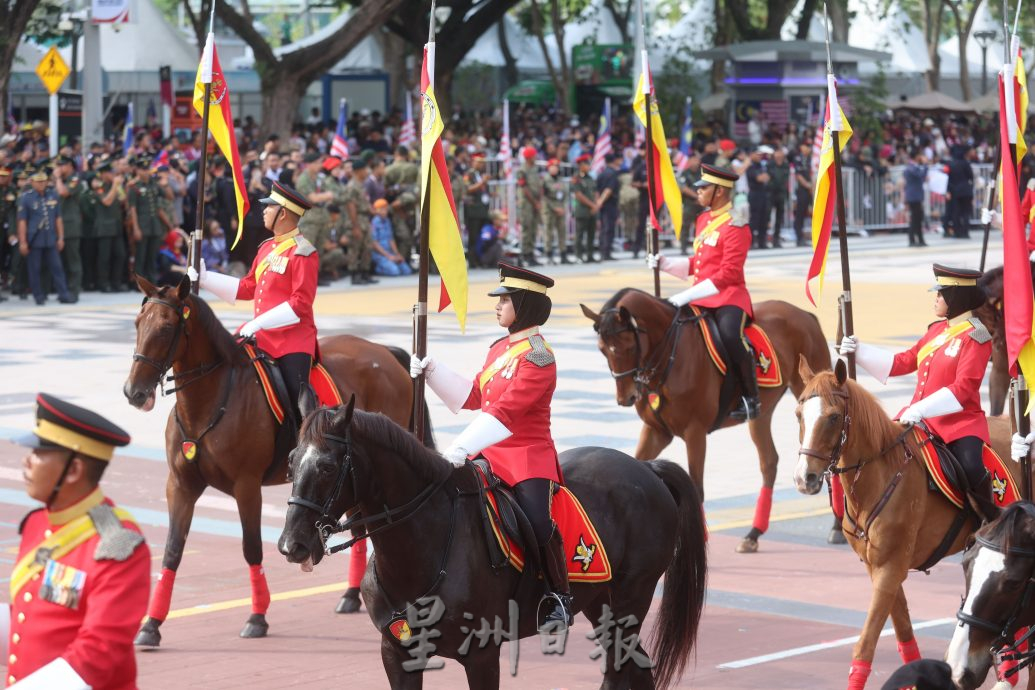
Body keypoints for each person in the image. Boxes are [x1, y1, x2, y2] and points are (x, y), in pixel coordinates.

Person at [409, 262, 572, 632]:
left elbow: (506, 413)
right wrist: (432, 371)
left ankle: (557, 595)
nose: (498, 306)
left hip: (527, 457)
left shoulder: (539, 357)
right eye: (498, 299)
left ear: (526, 305)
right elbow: (477, 396)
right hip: (490, 454)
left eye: (506, 299)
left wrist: (460, 447)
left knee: (537, 522)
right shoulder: (500, 348)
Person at [5, 393, 149, 688]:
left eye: (38, 453)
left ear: (73, 470)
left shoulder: (117, 545)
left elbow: (98, 651)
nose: (26, 461)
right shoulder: (37, 522)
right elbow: (29, 619)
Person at [838, 264, 999, 522]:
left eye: (940, 293)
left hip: (959, 423)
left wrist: (920, 409)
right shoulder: (936, 330)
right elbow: (905, 360)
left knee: (971, 468)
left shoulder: (977, 336)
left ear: (955, 298)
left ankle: (987, 523)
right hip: (920, 419)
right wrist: (860, 351)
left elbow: (964, 389)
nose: (935, 298)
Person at [190, 181, 318, 427]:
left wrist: (257, 323)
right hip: (261, 334)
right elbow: (249, 287)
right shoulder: (267, 248)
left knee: (299, 400)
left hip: (292, 340)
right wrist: (206, 279)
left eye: (269, 207)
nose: (264, 211)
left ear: (283, 213)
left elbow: (301, 303)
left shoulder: (303, 252)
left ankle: (309, 440)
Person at [647, 164, 760, 420]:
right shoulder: (703, 220)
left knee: (731, 336)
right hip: (702, 295)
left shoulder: (737, 224)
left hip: (729, 297)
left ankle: (751, 398)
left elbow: (729, 273)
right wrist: (665, 263)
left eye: (703, 188)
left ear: (719, 191)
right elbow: (699, 263)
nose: (697, 192)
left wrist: (687, 295)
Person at [16, 168, 74, 305]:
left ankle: (63, 294)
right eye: (38, 181)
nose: (41, 184)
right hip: (34, 239)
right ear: (33, 182)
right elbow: (22, 222)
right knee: (34, 269)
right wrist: (23, 242)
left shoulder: (52, 195)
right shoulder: (26, 197)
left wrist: (60, 237)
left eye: (43, 181)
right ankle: (38, 296)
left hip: (51, 239)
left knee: (57, 268)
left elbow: (58, 219)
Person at [516, 146, 543, 266]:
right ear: (529, 157)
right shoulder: (522, 170)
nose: (536, 157)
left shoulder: (535, 169)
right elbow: (524, 188)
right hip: (527, 204)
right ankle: (525, 254)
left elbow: (538, 185)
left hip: (535, 203)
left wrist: (539, 200)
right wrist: (535, 202)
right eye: (534, 155)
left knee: (533, 228)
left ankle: (531, 253)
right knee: (527, 229)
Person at [370, 198, 411, 277]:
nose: (384, 211)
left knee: (406, 270)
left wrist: (397, 254)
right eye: (381, 209)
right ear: (376, 211)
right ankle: (376, 269)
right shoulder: (374, 223)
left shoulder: (387, 221)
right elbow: (374, 243)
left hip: (389, 253)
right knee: (394, 271)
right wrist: (388, 256)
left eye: (385, 208)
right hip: (380, 254)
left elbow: (391, 239)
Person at [571, 154, 598, 263]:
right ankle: (578, 255)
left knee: (591, 233)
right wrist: (592, 205)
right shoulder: (576, 178)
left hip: (592, 211)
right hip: (582, 210)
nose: (588, 166)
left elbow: (595, 192)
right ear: (581, 165)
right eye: (586, 164)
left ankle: (590, 255)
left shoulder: (590, 178)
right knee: (580, 234)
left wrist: (595, 205)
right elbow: (578, 195)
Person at [541, 158, 569, 264]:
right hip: (549, 210)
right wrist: (554, 207)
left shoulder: (560, 180)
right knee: (549, 232)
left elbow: (565, 194)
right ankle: (549, 255)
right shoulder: (545, 180)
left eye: (556, 167)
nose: (555, 169)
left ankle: (563, 254)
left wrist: (563, 207)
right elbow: (544, 196)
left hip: (560, 209)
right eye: (553, 167)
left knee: (562, 231)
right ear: (549, 168)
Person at [595, 153, 621, 261]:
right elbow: (609, 190)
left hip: (602, 204)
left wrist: (598, 201)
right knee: (608, 228)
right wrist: (601, 201)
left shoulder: (601, 174)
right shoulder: (612, 174)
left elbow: (596, 190)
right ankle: (606, 252)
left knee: (604, 228)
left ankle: (603, 251)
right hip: (609, 203)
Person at [746, 147, 771, 249]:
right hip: (754, 194)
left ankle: (762, 242)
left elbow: (767, 177)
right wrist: (763, 177)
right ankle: (751, 242)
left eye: (760, 154)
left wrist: (764, 177)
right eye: (757, 154)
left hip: (763, 193)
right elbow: (759, 178)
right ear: (751, 154)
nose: (759, 156)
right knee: (754, 219)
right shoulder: (750, 166)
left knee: (764, 219)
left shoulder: (761, 165)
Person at [903, 150, 928, 247]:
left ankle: (920, 240)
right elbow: (920, 175)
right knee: (915, 219)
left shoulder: (913, 167)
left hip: (916, 195)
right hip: (914, 196)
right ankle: (912, 240)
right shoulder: (911, 167)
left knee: (918, 218)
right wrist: (925, 165)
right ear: (916, 156)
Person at [792, 142, 813, 248]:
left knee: (805, 213)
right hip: (801, 190)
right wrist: (808, 185)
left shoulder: (809, 159)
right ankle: (798, 238)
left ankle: (803, 237)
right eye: (806, 146)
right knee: (799, 214)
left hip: (809, 190)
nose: (808, 148)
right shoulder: (798, 159)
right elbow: (799, 175)